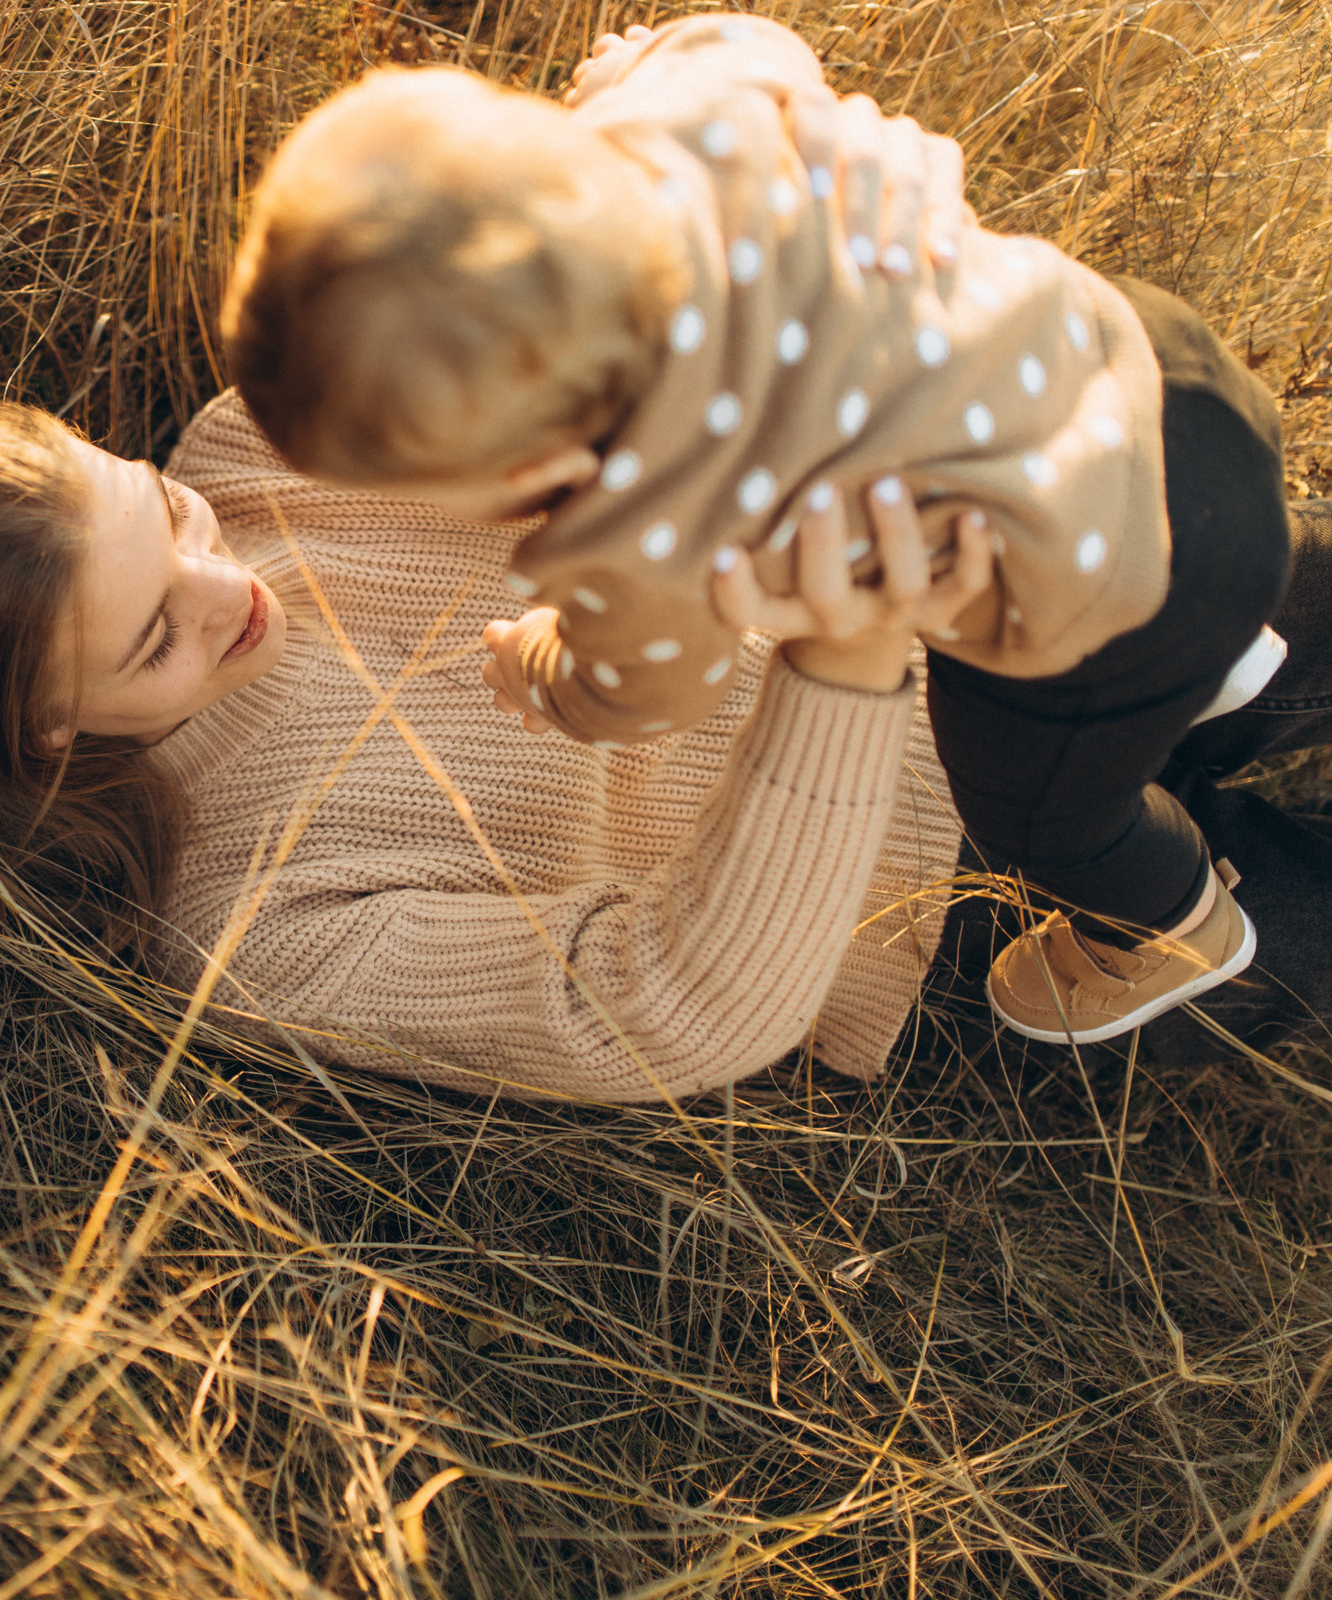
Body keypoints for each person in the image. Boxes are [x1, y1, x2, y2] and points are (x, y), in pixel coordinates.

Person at [214, 14, 1293, 1047]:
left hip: (1115, 590)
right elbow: (750, 44)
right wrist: (628, 75)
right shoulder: (689, 122)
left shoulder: (646, 525)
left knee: (1038, 818)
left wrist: (542, 667)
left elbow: (648, 692)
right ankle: (1227, 646)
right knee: (1205, 550)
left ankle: (1175, 927)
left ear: (527, 470)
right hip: (1154, 373)